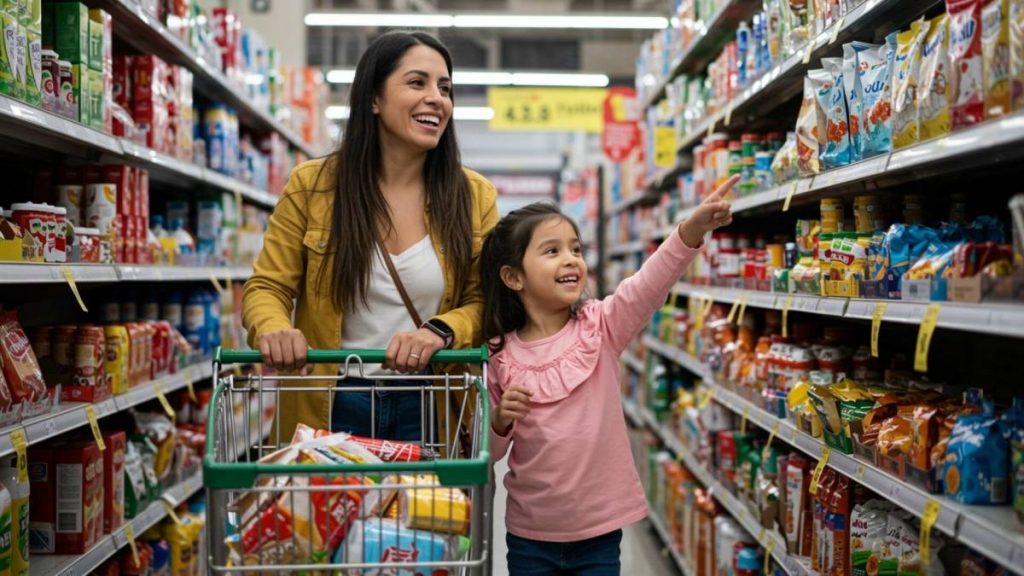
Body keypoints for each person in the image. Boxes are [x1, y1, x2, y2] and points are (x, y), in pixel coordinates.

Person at [242, 30, 498, 447]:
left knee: (427, 514)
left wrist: (440, 331)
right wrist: (274, 328)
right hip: (331, 402)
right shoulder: (313, 185)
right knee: (326, 513)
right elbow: (267, 286)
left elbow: (484, 301)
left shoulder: (473, 196)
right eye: (417, 83)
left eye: (445, 88)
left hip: (429, 402)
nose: (437, 98)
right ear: (374, 100)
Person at [481, 175, 738, 575]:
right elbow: (490, 454)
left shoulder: (599, 328)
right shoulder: (501, 355)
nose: (571, 259)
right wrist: (498, 422)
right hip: (531, 534)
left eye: (575, 249)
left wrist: (691, 230)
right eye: (552, 251)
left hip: (598, 533)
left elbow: (647, 286)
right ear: (513, 277)